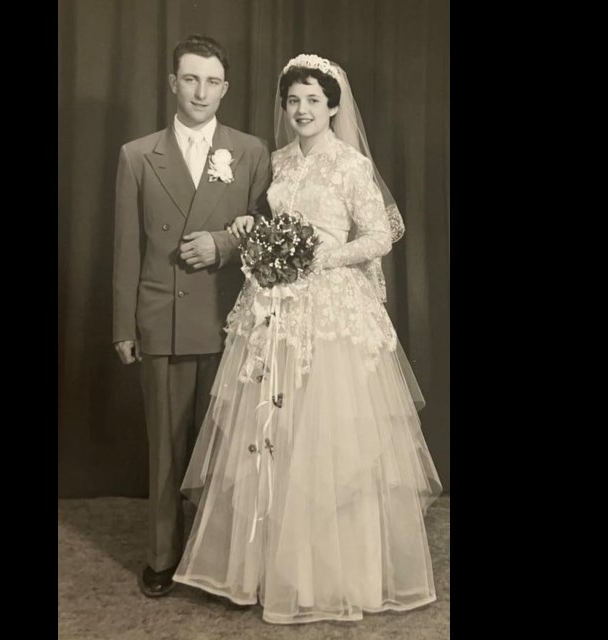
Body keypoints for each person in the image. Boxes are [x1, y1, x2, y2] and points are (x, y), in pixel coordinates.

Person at [172, 54, 442, 624]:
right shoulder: (277, 163)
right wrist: (254, 231)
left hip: (333, 310)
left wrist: (323, 257)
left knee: (332, 438)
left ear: (334, 107)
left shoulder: (352, 166)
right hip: (275, 308)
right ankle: (274, 570)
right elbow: (269, 225)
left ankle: (340, 574)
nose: (301, 110)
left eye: (313, 100)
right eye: (293, 100)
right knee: (277, 431)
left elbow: (379, 236)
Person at [112, 34, 272, 598]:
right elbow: (126, 246)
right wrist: (124, 327)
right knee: (167, 447)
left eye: (211, 81)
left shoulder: (251, 151)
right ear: (173, 83)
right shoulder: (138, 154)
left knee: (229, 446)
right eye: (190, 79)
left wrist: (223, 245)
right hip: (164, 317)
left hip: (232, 319)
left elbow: (267, 232)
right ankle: (162, 556)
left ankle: (221, 560)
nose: (200, 91)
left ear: (224, 89)